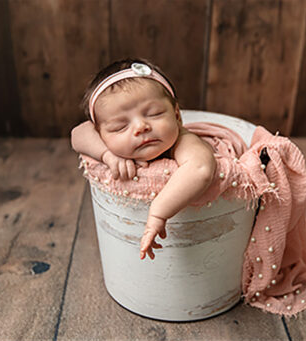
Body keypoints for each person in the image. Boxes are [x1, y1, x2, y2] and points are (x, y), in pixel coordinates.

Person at [71, 59, 217, 260]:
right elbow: (77, 133)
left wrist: (158, 213)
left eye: (154, 114)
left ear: (176, 115)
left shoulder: (183, 141)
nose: (141, 127)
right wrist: (107, 155)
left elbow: (200, 169)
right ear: (100, 134)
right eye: (120, 127)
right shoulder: (102, 142)